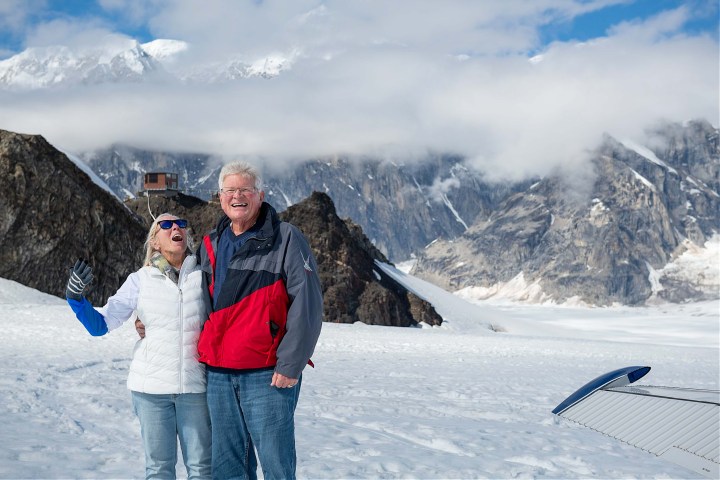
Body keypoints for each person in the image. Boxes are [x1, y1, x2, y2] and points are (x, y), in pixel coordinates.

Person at [198, 161, 323, 479]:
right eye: (230, 190)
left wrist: (290, 364)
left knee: (276, 463)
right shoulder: (210, 243)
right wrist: (149, 321)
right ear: (220, 196)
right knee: (227, 467)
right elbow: (196, 303)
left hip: (267, 374)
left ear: (260, 195)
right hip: (219, 374)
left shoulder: (286, 238)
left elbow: (306, 304)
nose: (237, 196)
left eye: (245, 190)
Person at [65, 213, 211, 479]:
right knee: (159, 469)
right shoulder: (140, 280)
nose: (175, 227)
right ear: (154, 241)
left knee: (202, 469)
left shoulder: (204, 276)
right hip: (151, 391)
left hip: (195, 389)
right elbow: (100, 325)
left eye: (180, 224)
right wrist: (75, 298)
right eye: (165, 225)